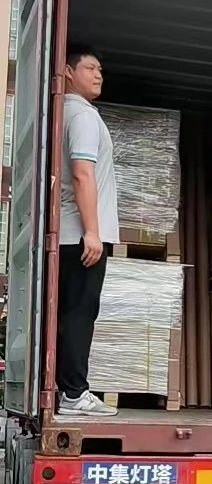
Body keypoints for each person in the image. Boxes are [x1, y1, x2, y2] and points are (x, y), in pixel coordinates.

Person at [57, 46, 119, 415]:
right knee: (80, 314)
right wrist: (92, 232)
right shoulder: (82, 116)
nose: (98, 75)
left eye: (100, 70)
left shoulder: (64, 113)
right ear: (68, 72)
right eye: (90, 68)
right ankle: (74, 394)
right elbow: (82, 174)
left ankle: (66, 390)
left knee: (69, 314)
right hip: (80, 236)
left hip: (69, 234)